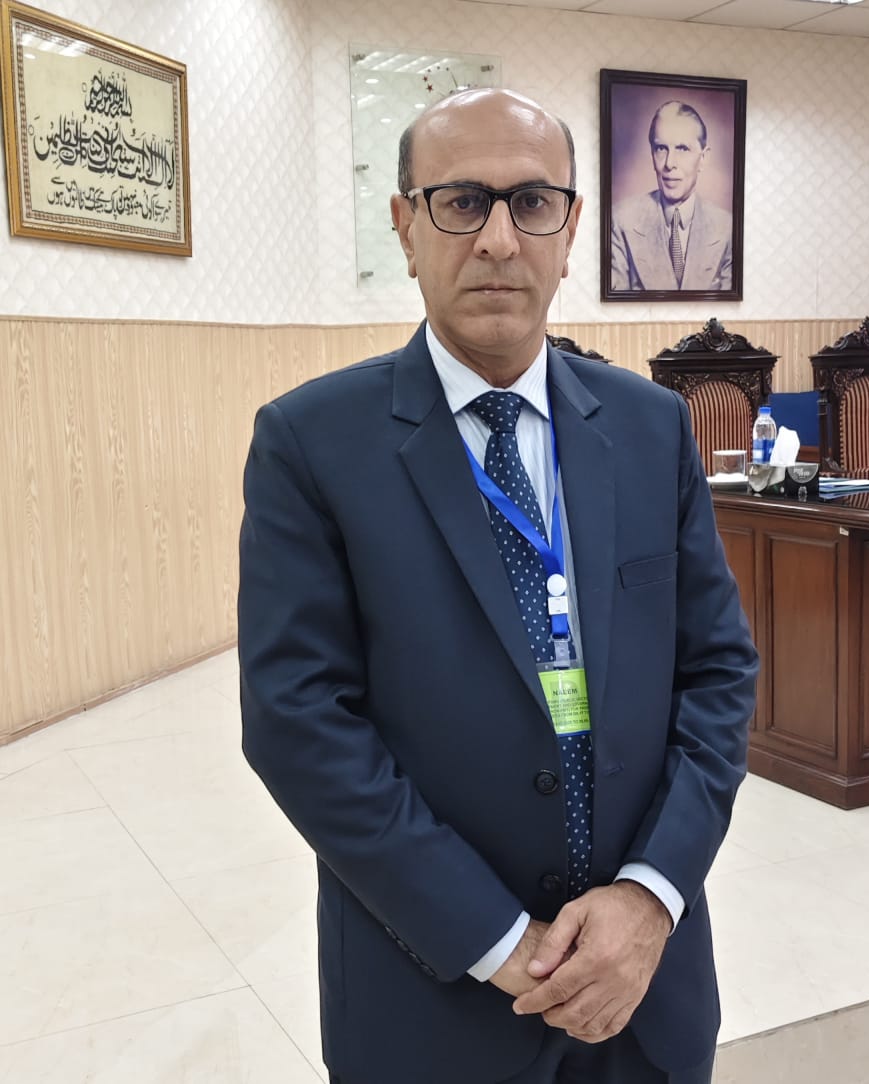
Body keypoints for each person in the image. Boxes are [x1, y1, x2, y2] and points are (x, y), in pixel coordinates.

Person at [239, 87, 757, 1084]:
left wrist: (650, 895)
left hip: (644, 988)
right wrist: (498, 940)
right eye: (461, 201)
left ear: (570, 230)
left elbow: (718, 671)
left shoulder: (650, 427)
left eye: (531, 203)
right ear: (405, 226)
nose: (497, 239)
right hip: (435, 993)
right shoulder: (311, 444)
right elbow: (298, 723)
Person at [610, 100, 733, 292]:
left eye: (682, 149)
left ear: (703, 158)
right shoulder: (621, 221)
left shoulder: (726, 228)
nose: (669, 163)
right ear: (652, 154)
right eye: (661, 148)